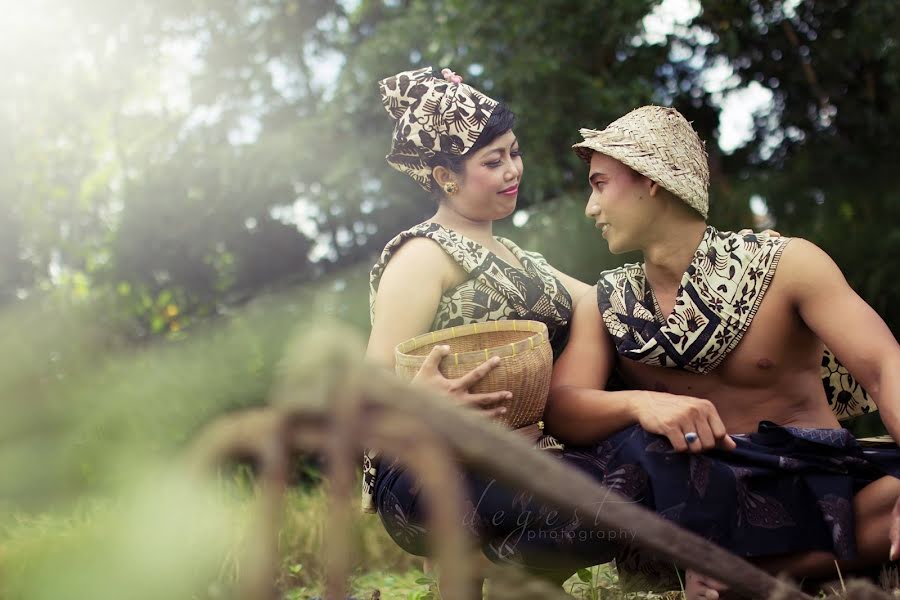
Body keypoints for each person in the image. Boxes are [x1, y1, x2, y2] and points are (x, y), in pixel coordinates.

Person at [546, 105, 900, 598]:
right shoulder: (608, 302)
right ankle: (740, 562)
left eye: (600, 183)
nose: (590, 207)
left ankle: (763, 570)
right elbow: (561, 407)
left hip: (817, 489)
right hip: (702, 500)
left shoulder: (787, 264)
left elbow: (885, 366)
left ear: (650, 179)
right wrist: (642, 402)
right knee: (618, 462)